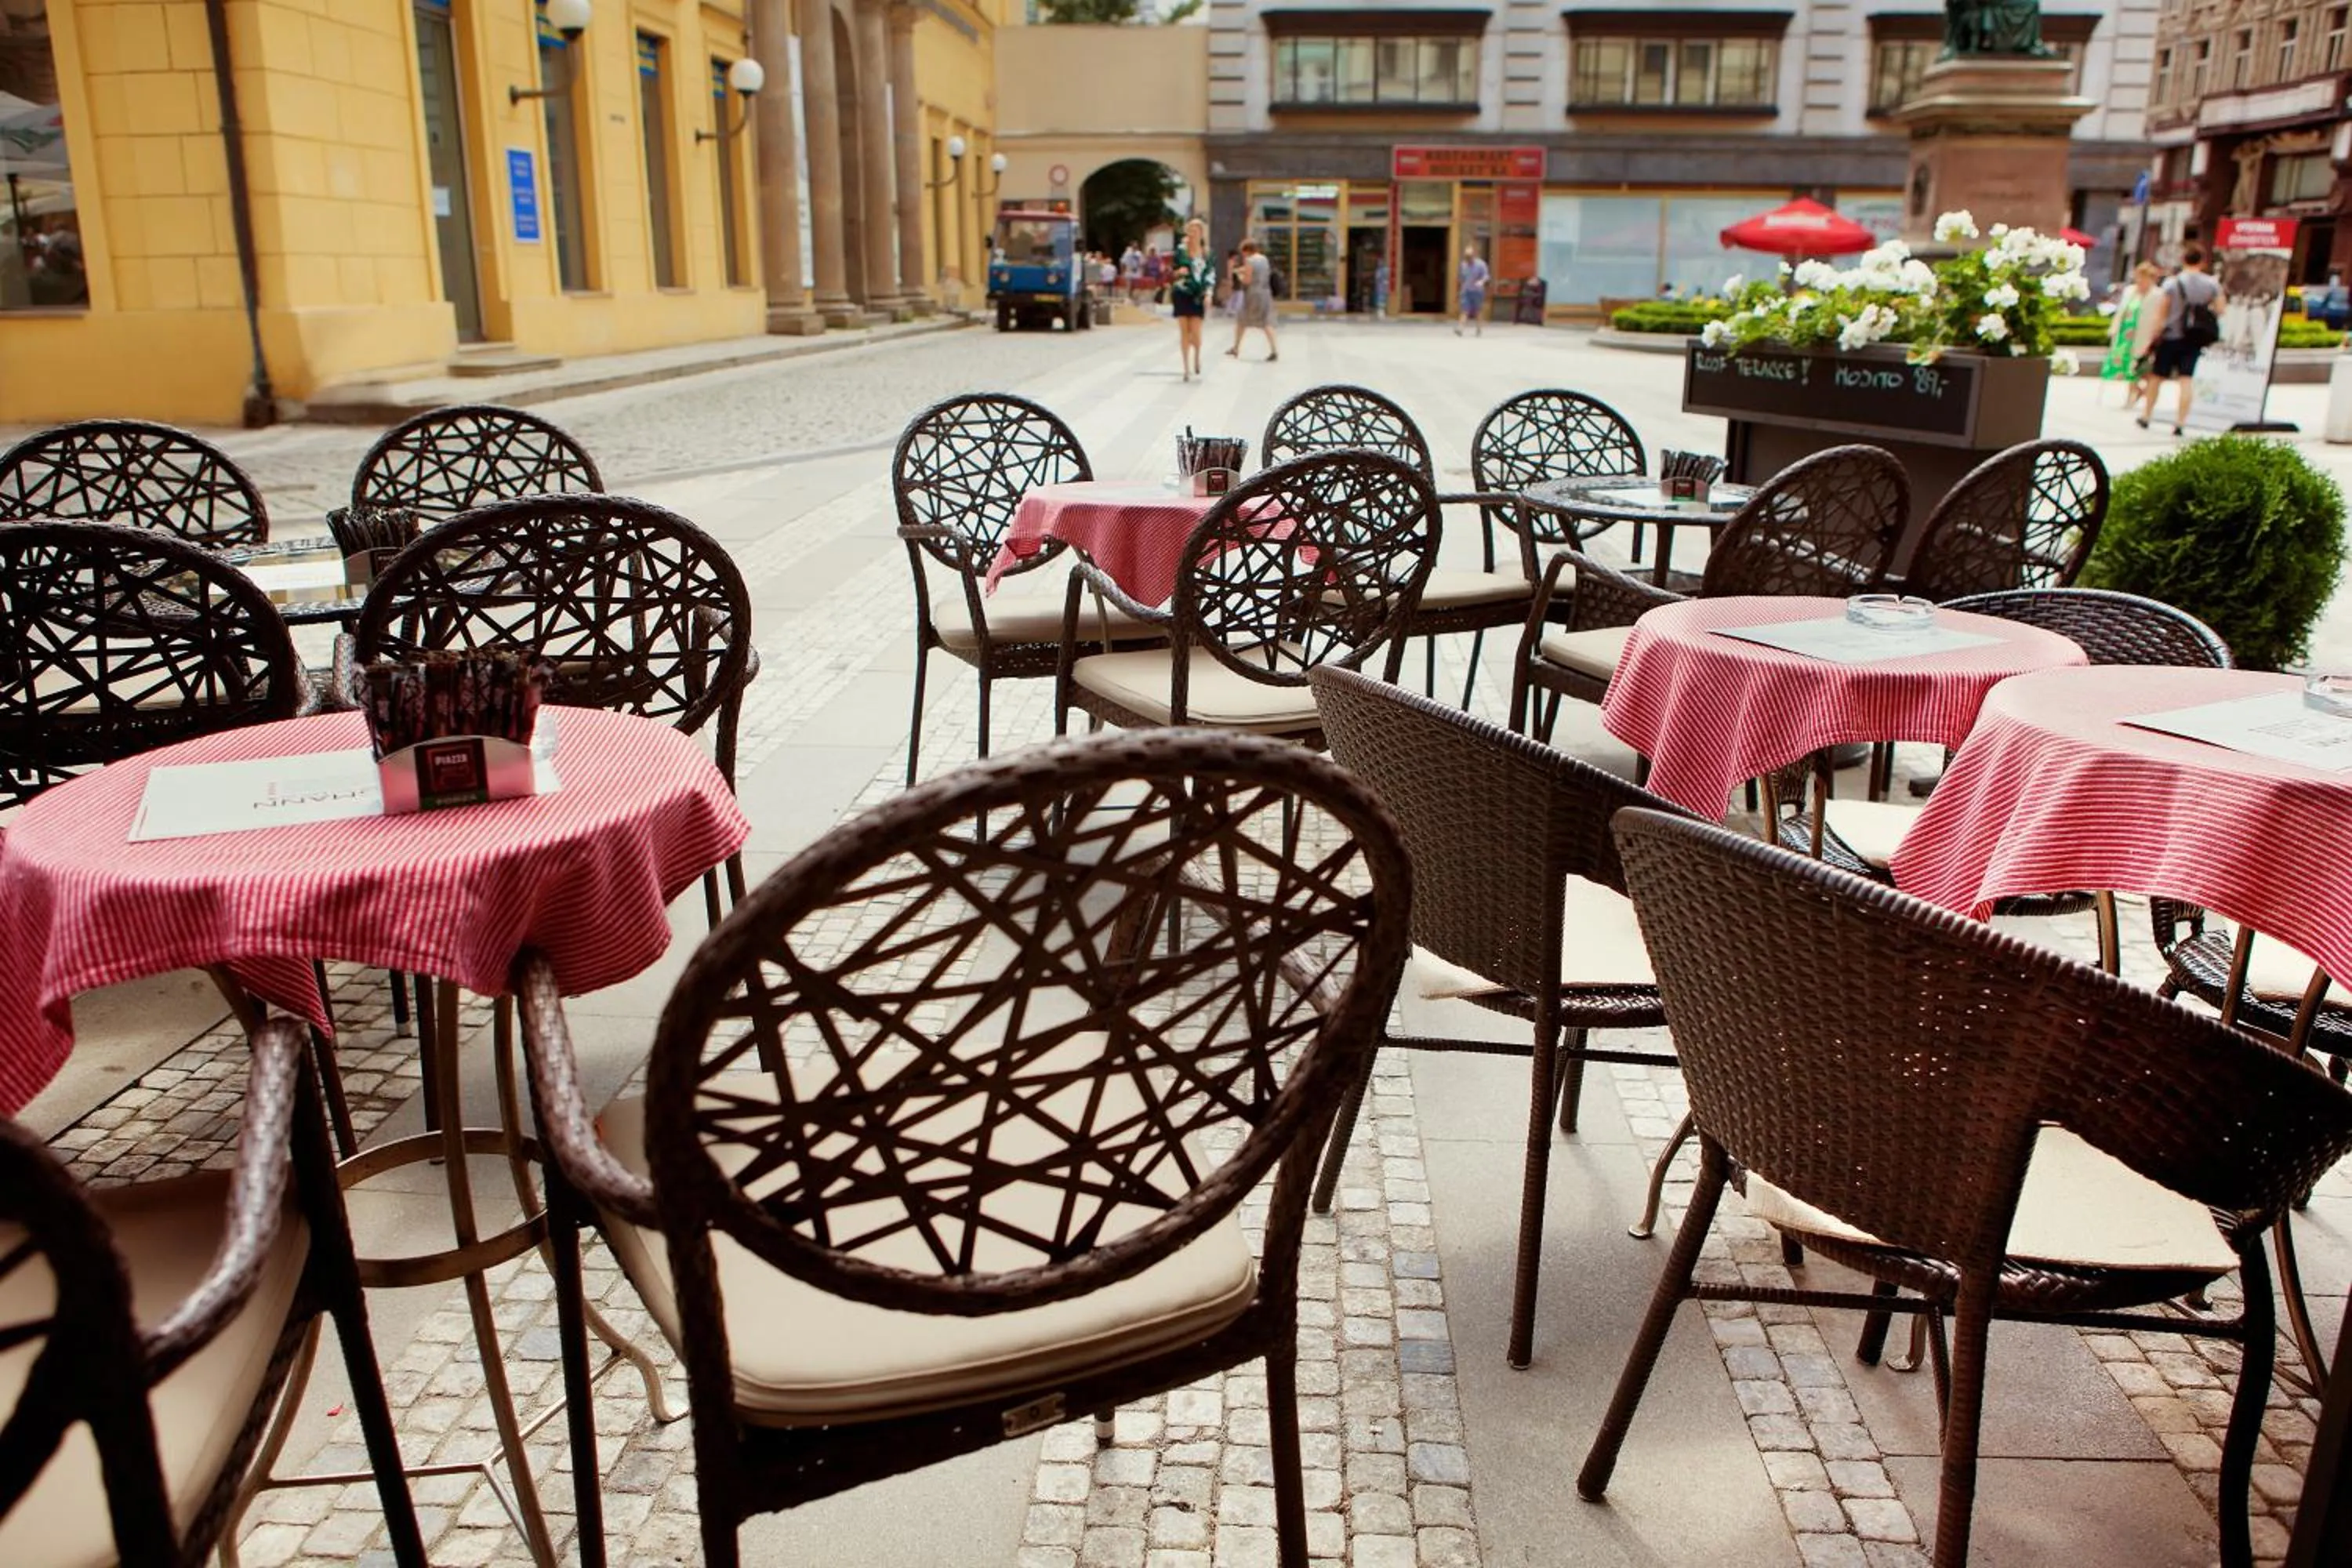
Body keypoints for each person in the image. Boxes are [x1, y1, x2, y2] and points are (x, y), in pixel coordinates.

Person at [2138, 245, 2225, 436]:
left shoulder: (2172, 283)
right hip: (2194, 338)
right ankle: (2180, 422)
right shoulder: (2211, 284)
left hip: (2171, 336)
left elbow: (2161, 313)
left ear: (2184, 260)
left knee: (2157, 378)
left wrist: (2153, 337)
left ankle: (2146, 416)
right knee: (2186, 380)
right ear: (2202, 262)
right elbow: (2221, 309)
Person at [2103, 260, 2161, 397]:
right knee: (2129, 365)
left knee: (2144, 367)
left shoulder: (2157, 294)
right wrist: (2114, 328)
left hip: (2146, 335)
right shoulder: (2131, 291)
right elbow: (2121, 311)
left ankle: (2145, 391)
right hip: (2127, 333)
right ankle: (2133, 393)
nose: (2140, 280)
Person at [1170, 219, 1214, 379]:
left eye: (1196, 231)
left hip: (1198, 295)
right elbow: (1172, 272)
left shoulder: (1207, 253)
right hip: (1181, 292)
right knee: (1184, 332)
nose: (1193, 234)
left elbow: (1210, 275)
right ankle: (1186, 368)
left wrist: (1209, 294)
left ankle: (1197, 357)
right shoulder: (1180, 251)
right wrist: (1178, 272)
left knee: (1195, 332)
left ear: (1201, 234)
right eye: (1190, 231)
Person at [1226, 239, 1278, 362]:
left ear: (1246, 251)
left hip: (1253, 295)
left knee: (1244, 320)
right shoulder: (1264, 259)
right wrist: (1242, 270)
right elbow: (1257, 272)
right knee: (1262, 322)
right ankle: (1273, 350)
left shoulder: (1249, 260)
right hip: (1265, 293)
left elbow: (1247, 280)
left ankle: (1236, 348)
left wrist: (1239, 276)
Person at [1454, 245, 1490, 336]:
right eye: (1466, 257)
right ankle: (1460, 328)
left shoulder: (1481, 264)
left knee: (1477, 311)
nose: (1468, 259)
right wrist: (1459, 291)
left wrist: (1481, 282)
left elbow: (1486, 276)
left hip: (1477, 291)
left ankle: (1479, 328)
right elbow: (1461, 278)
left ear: (1474, 255)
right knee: (1464, 310)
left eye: (1469, 257)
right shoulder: (1463, 265)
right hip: (1466, 290)